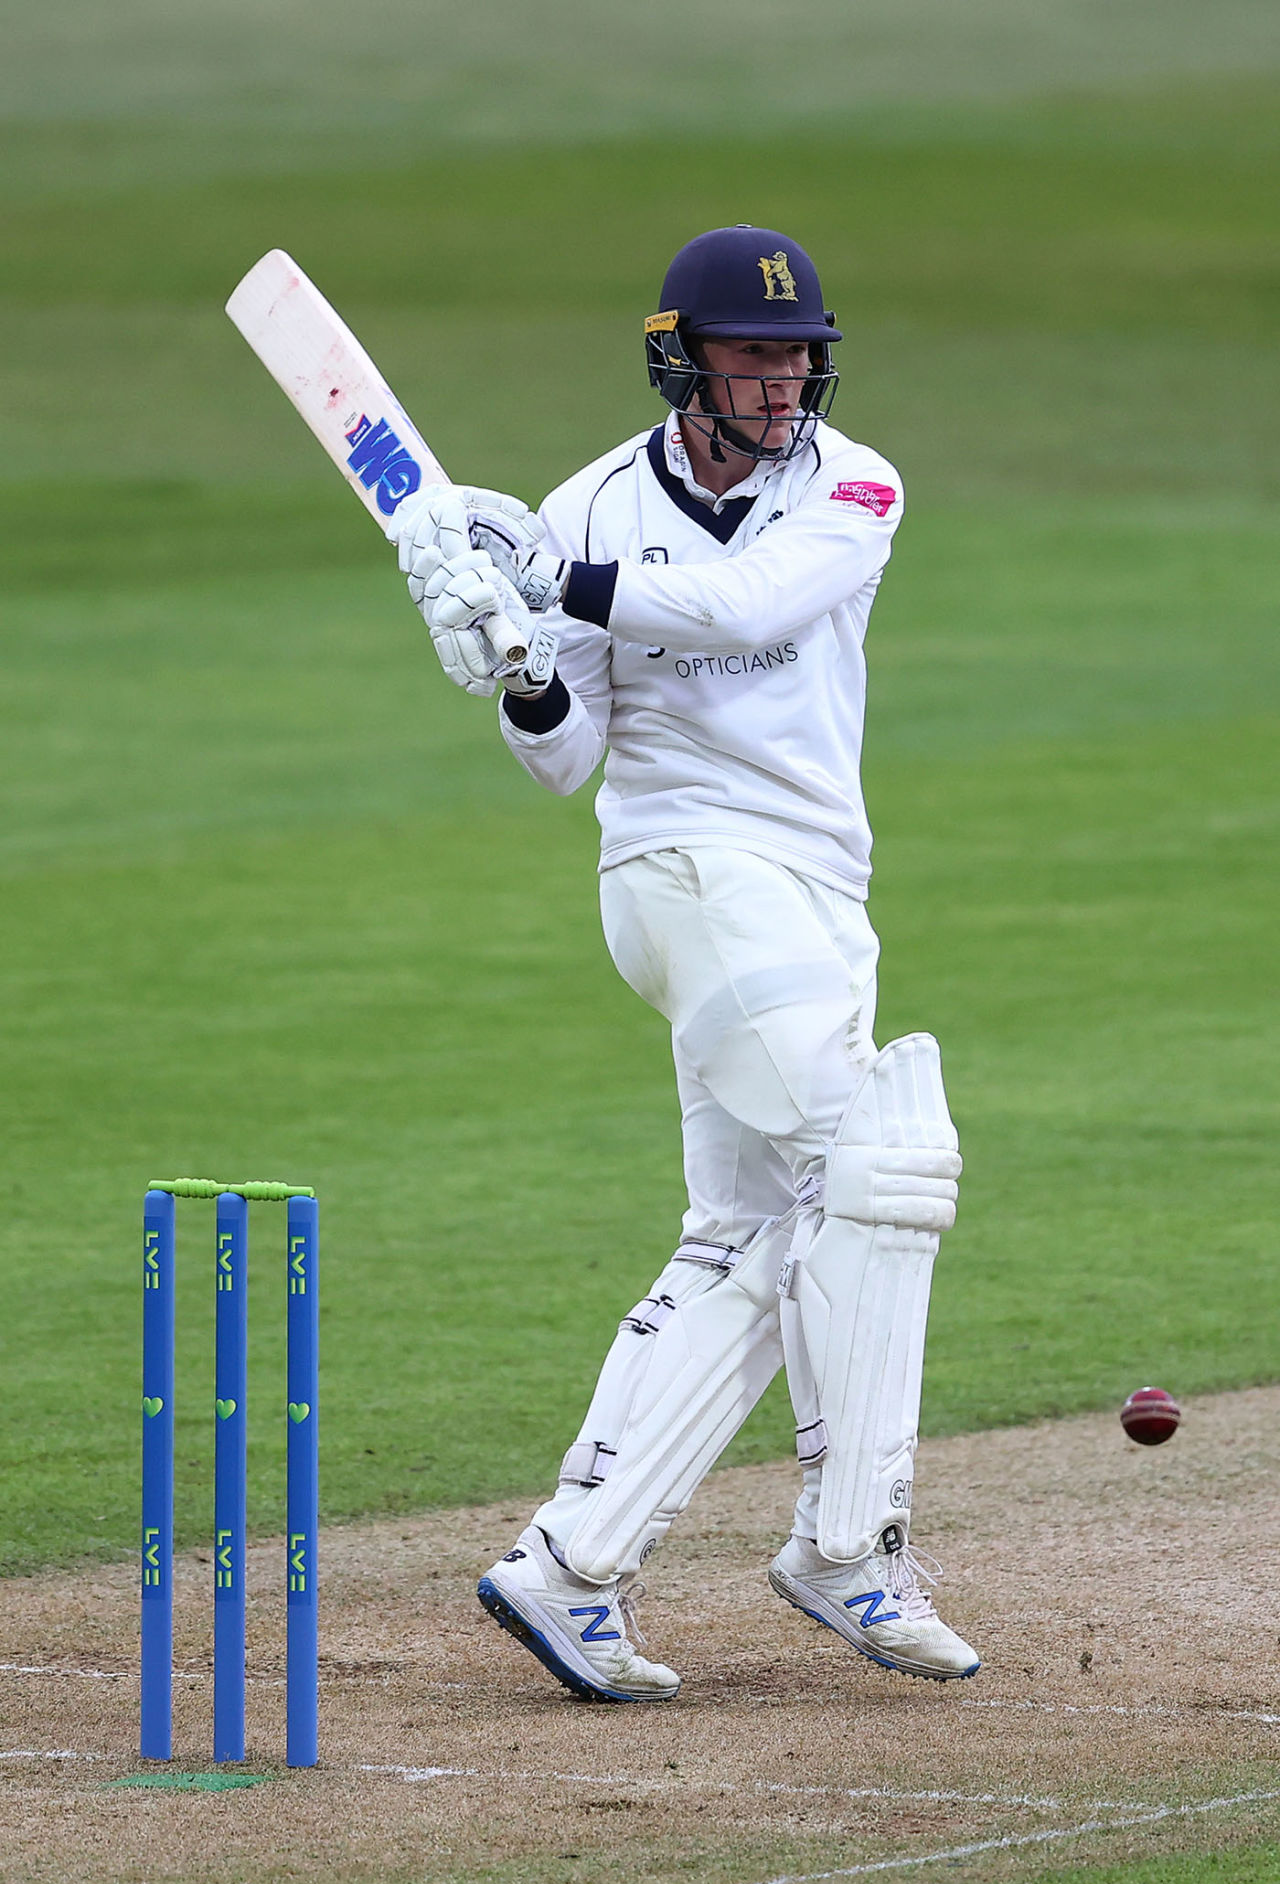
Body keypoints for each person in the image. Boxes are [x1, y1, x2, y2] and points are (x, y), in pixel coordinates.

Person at [390, 224, 979, 1703]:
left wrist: (547, 586)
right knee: (875, 1167)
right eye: (753, 355)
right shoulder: (589, 506)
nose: (784, 380)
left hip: (814, 890)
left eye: (799, 354)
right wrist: (519, 667)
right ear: (684, 361)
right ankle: (851, 1547)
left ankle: (572, 1566)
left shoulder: (854, 483)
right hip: (683, 876)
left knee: (751, 1232)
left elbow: (749, 608)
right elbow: (565, 758)